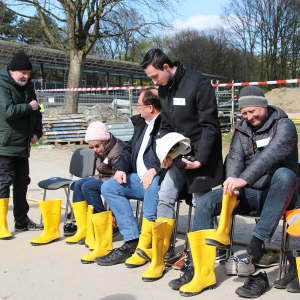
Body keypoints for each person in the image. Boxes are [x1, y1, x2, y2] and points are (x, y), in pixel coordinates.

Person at [169, 85, 299, 295]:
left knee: (285, 174)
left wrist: (243, 179)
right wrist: (232, 180)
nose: (248, 116)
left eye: (252, 111)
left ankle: (258, 240)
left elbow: (270, 157)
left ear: (263, 106)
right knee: (205, 202)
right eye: (244, 113)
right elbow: (235, 158)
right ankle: (198, 270)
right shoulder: (242, 130)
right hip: (250, 192)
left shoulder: (284, 126)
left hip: (280, 193)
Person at [136, 49, 224, 274]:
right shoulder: (164, 89)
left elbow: (210, 127)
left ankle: (206, 251)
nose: (153, 82)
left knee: (201, 203)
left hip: (201, 157)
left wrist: (201, 159)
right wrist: (164, 152)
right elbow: (165, 124)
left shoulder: (198, 83)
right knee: (164, 196)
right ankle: (161, 251)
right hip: (177, 156)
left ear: (166, 67)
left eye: (154, 76)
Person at [97, 87, 162, 267]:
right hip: (138, 179)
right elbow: (128, 149)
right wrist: (121, 169)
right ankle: (132, 239)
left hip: (159, 180)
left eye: (139, 105)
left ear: (150, 107)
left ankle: (145, 244)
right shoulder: (141, 124)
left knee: (152, 182)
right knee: (108, 187)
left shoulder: (166, 124)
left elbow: (172, 153)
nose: (137, 108)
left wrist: (156, 169)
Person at [0, 51, 43, 240]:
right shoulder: (2, 85)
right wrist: (30, 107)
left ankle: (22, 220)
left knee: (22, 183)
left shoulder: (28, 86)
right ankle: (1, 224)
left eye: (28, 72)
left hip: (22, 144)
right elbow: (8, 111)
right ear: (11, 71)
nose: (26, 76)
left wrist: (37, 132)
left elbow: (37, 111)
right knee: (3, 183)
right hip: (5, 144)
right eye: (22, 73)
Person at [64, 121, 126, 243]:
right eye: (91, 147)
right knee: (78, 184)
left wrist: (113, 212)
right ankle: (84, 229)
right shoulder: (102, 149)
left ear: (105, 141)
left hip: (116, 178)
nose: (94, 149)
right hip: (105, 176)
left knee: (88, 187)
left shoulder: (118, 149)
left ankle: (104, 226)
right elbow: (103, 170)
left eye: (97, 146)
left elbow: (117, 176)